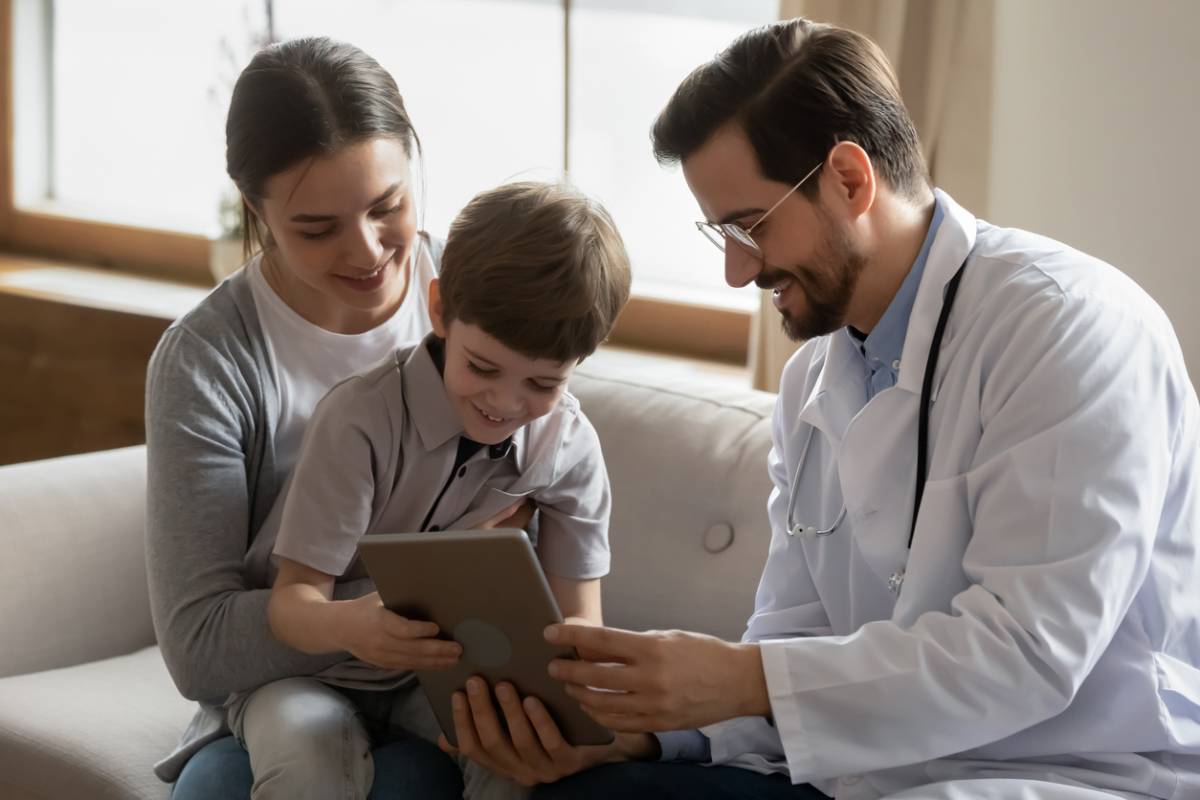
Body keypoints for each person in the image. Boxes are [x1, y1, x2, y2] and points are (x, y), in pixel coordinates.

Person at [448, 18, 1200, 800]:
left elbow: (1028, 653)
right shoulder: (814, 382)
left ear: (848, 178)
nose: (739, 272)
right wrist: (643, 733)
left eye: (751, 226)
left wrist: (744, 676)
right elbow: (792, 646)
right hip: (872, 769)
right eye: (722, 235)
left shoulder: (1069, 327)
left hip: (1076, 770)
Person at [145, 36, 481, 799]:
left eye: (387, 206)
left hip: (439, 682)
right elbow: (198, 648)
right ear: (255, 211)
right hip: (278, 696)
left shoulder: (477, 300)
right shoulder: (208, 360)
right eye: (317, 228)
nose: (367, 251)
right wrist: (357, 622)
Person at [234, 179, 630, 800]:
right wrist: (352, 626)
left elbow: (578, 631)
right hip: (310, 672)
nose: (505, 402)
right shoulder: (359, 420)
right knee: (308, 765)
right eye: (483, 366)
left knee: (518, 759)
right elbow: (291, 606)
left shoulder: (569, 451)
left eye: (543, 384)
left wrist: (545, 712)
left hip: (437, 679)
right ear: (440, 309)